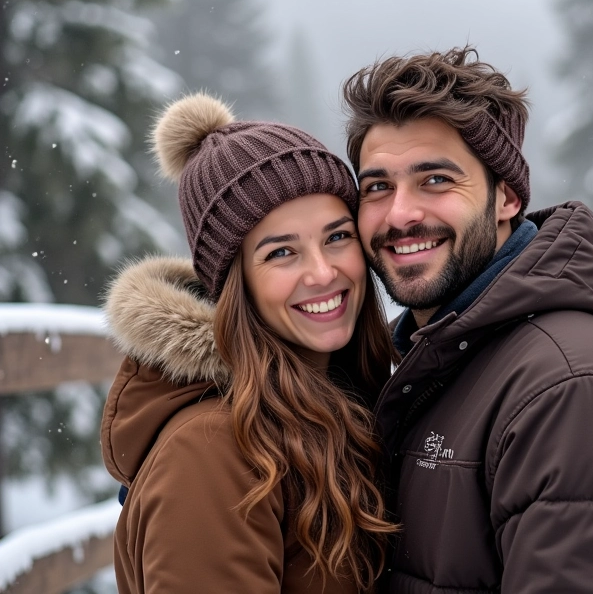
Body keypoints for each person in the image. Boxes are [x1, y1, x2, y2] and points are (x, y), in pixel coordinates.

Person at [342, 47, 593, 593]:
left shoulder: (573, 390)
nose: (400, 213)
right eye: (378, 186)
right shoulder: (439, 362)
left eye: (434, 180)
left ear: (506, 197)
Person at [100, 92, 399, 593]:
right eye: (282, 252)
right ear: (234, 282)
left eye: (336, 237)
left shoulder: (336, 398)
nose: (323, 273)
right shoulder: (211, 451)